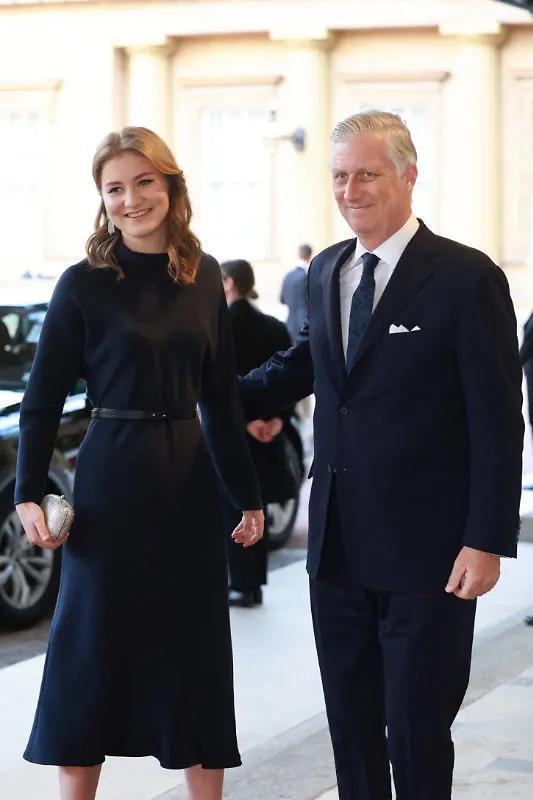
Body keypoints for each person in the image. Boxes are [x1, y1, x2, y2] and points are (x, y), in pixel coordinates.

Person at [236, 110, 524, 800]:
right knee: (352, 729)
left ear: (407, 176)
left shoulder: (464, 276)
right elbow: (305, 365)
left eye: (367, 173)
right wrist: (208, 396)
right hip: (336, 547)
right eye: (339, 175)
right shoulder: (326, 270)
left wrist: (485, 540)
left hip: (429, 555)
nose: (350, 188)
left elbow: (496, 421)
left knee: (416, 729)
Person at [14, 126, 264, 800]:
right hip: (109, 483)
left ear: (170, 185)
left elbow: (220, 395)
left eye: (143, 182)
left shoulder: (204, 273)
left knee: (196, 651)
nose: (131, 200)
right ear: (102, 201)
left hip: (187, 483)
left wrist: (246, 495)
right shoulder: (83, 284)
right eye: (115, 189)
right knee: (90, 648)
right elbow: (39, 402)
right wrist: (28, 493)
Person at [220, 258, 294, 607]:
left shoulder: (220, 328)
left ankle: (239, 583)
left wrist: (247, 420)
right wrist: (277, 418)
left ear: (230, 283)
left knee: (234, 505)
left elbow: (217, 384)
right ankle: (253, 582)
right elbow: (290, 372)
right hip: (270, 430)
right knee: (257, 504)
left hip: (233, 430)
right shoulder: (274, 326)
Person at [280, 243, 312, 342]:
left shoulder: (287, 276)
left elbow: (282, 299)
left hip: (289, 324)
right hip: (305, 327)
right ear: (310, 255)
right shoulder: (308, 275)